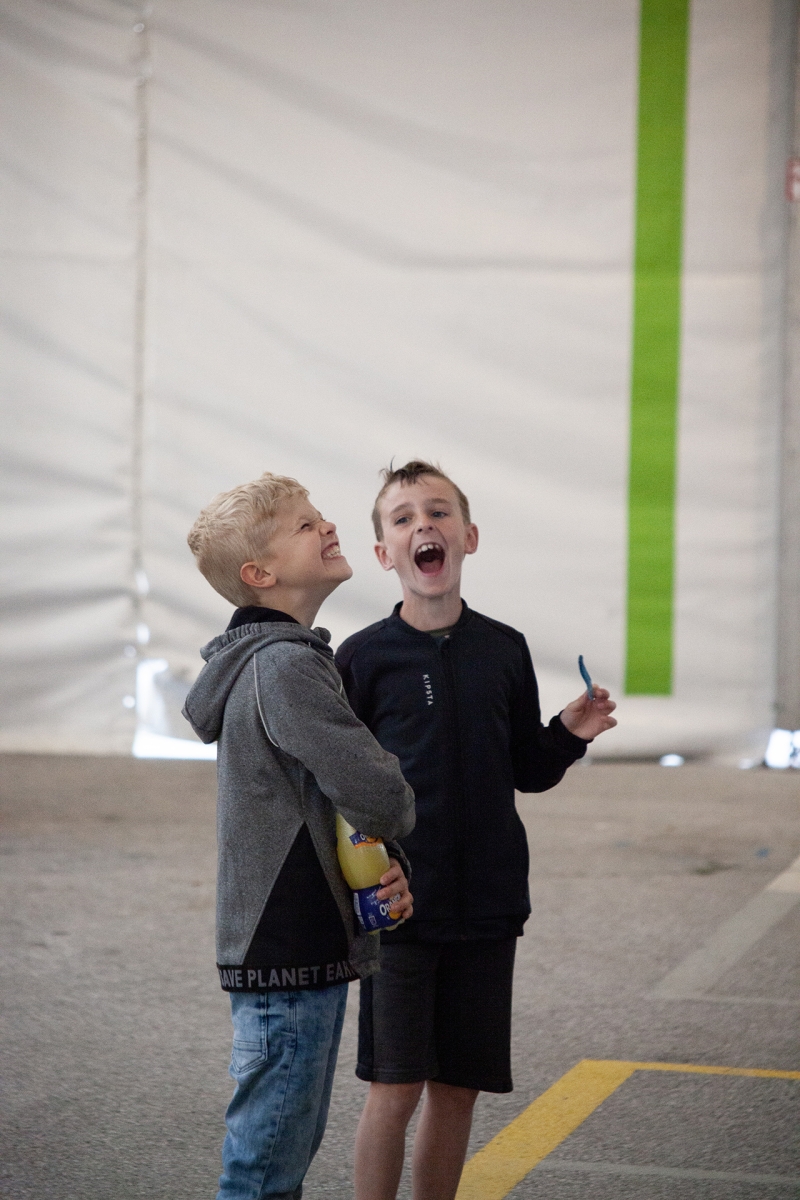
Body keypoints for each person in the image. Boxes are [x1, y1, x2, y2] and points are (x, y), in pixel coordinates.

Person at [335, 460, 617, 1200]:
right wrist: (358, 888)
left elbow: (527, 768)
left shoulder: (504, 648)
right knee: (395, 1086)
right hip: (400, 908)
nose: (423, 525)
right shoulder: (362, 658)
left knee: (458, 1087)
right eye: (403, 518)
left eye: (438, 512)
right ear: (384, 554)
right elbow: (339, 789)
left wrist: (568, 732)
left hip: (489, 904)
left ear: (469, 537)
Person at [183, 472, 416, 1200]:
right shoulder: (285, 666)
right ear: (261, 574)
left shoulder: (273, 658)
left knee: (273, 1157)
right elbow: (378, 794)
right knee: (264, 1173)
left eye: (320, 517)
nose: (328, 527)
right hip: (290, 949)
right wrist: (394, 796)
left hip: (283, 947)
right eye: (305, 526)